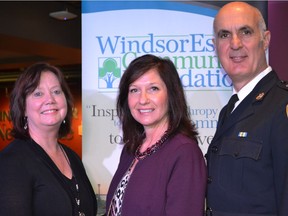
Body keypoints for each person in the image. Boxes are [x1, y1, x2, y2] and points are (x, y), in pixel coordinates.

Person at [205, 2, 288, 216]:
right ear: (215, 46)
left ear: (266, 39)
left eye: (245, 32)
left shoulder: (281, 106)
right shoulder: (230, 110)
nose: (235, 44)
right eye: (224, 35)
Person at [105, 54, 207, 216]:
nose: (142, 99)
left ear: (171, 94)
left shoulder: (184, 153)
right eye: (134, 90)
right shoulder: (131, 149)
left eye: (153, 89)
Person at [0, 63, 97, 216]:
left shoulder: (72, 157)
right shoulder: (11, 162)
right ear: (23, 107)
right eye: (38, 94)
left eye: (56, 91)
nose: (50, 99)